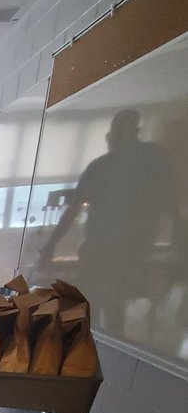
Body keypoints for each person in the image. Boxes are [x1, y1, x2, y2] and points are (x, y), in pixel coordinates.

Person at [37, 109, 175, 334]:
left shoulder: (144, 162)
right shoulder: (114, 165)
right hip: (112, 251)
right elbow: (72, 211)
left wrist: (50, 246)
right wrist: (50, 246)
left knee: (104, 307)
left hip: (119, 252)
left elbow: (166, 203)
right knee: (99, 307)